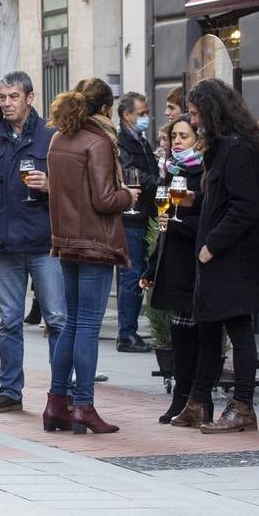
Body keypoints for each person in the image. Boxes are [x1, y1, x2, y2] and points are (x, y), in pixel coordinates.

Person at [173, 79, 259, 434]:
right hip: (218, 255)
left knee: (239, 330)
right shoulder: (224, 147)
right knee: (209, 328)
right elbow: (225, 201)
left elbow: (245, 207)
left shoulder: (237, 147)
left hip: (232, 257)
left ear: (214, 112)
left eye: (198, 115)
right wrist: (195, 202)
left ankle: (243, 405)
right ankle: (198, 402)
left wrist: (211, 245)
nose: (195, 122)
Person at [0, 72, 66, 414]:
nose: (7, 103)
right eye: (2, 97)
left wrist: (50, 185)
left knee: (56, 318)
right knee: (8, 321)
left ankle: (61, 392)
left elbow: (71, 190)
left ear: (30, 98)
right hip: (4, 246)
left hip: (43, 244)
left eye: (13, 97)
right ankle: (10, 390)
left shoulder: (51, 137)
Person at [42, 78, 135, 435]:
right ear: (107, 109)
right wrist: (130, 195)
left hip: (66, 241)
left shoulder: (58, 139)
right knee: (88, 325)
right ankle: (83, 405)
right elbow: (104, 200)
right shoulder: (99, 142)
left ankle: (55, 403)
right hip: (96, 242)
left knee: (72, 322)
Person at [140, 115, 208, 424]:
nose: (176, 141)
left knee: (197, 336)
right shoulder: (172, 172)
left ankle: (195, 397)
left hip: (196, 265)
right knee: (179, 335)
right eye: (173, 136)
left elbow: (202, 224)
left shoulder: (203, 174)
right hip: (174, 264)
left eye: (183, 135)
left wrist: (175, 226)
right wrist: (152, 268)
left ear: (198, 139)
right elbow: (163, 226)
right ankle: (181, 399)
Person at [115, 91, 158, 353]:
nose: (146, 118)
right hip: (131, 216)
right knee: (131, 275)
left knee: (137, 273)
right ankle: (126, 333)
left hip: (143, 213)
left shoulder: (140, 140)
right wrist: (159, 182)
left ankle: (129, 331)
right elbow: (135, 174)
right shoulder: (122, 144)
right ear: (126, 115)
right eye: (141, 114)